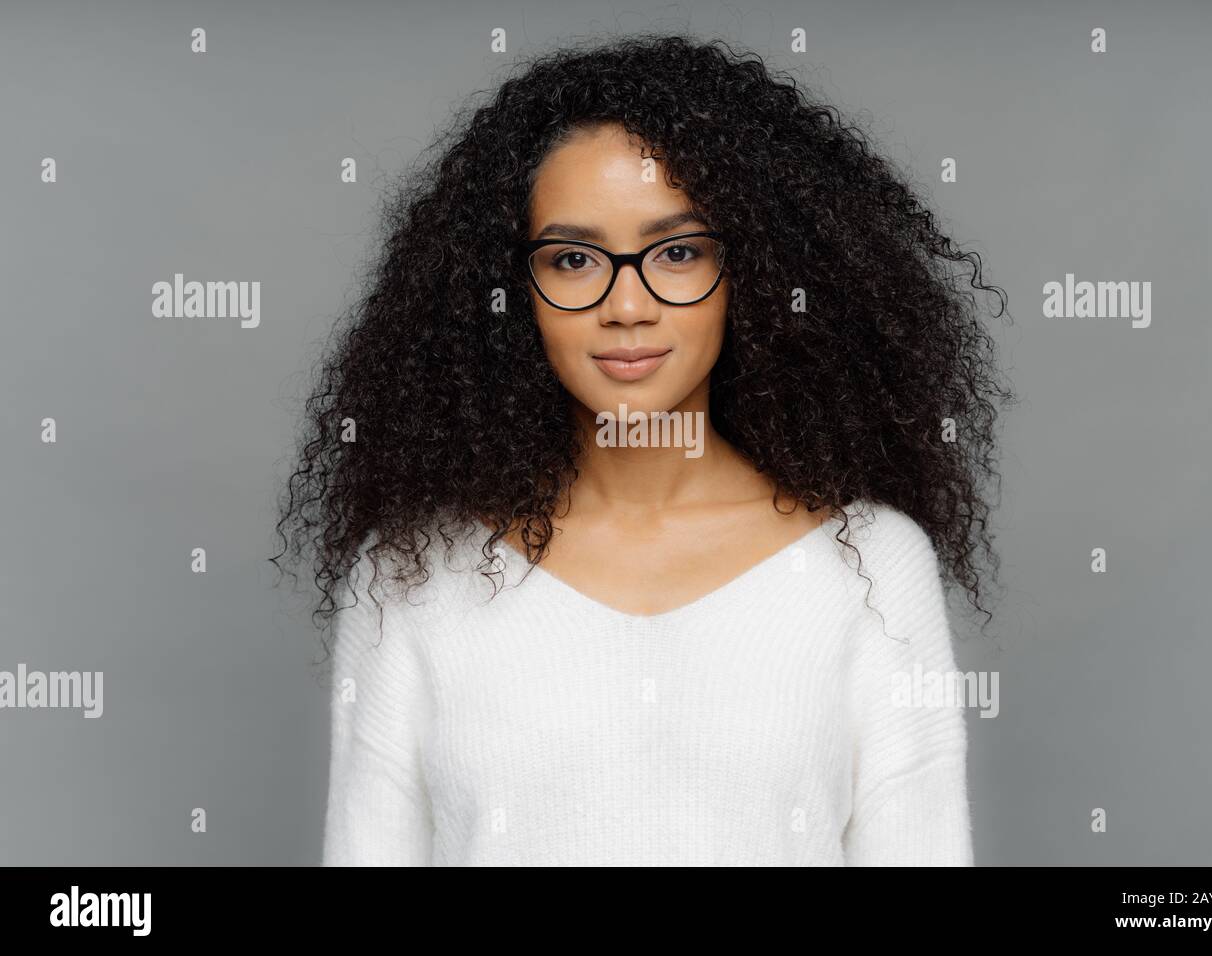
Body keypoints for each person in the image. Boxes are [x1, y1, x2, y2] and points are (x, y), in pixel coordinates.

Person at [272, 34, 1015, 865]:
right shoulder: (409, 574)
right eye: (574, 259)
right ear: (514, 292)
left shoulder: (871, 567)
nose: (628, 304)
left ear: (759, 273)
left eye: (679, 252)